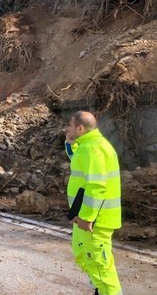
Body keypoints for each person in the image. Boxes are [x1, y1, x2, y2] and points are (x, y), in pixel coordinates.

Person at [65, 111, 122, 295]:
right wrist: (69, 145)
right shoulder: (89, 146)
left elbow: (96, 187)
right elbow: (79, 162)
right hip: (87, 216)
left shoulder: (92, 149)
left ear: (80, 128)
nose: (68, 129)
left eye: (71, 126)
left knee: (100, 267)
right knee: (88, 259)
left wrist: (87, 217)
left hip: (94, 220)